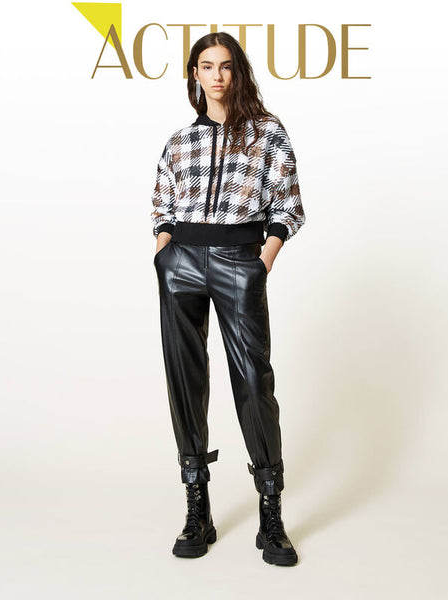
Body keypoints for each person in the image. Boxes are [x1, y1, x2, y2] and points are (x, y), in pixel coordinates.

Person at [150, 31, 305, 566]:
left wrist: (262, 261)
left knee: (254, 380)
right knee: (185, 379)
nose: (217, 75)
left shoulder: (267, 132)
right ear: (195, 74)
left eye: (225, 66)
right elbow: (162, 206)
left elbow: (288, 206)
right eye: (206, 66)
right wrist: (165, 253)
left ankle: (271, 514)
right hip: (181, 264)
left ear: (237, 72)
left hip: (240, 260)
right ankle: (197, 508)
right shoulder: (179, 141)